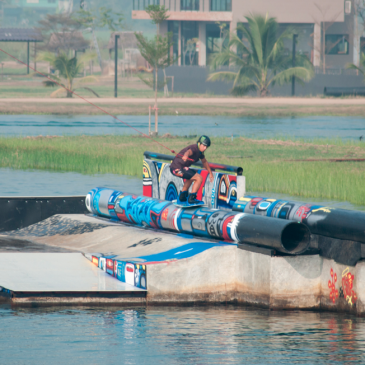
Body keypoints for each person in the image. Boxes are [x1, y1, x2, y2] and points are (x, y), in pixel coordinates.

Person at [170, 135, 214, 206]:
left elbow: (204, 162)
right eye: (204, 146)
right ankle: (191, 199)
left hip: (177, 168)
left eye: (207, 147)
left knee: (191, 176)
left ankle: (182, 197)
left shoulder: (200, 152)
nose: (205, 148)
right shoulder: (194, 148)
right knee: (199, 178)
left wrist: (210, 173)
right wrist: (186, 155)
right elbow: (189, 151)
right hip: (177, 169)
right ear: (199, 143)